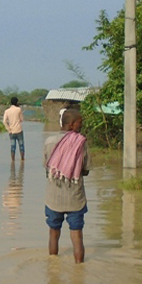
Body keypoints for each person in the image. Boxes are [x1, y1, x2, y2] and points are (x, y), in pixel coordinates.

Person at [43, 108, 91, 262]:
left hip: (53, 197)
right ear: (71, 124)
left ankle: (52, 266)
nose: (81, 125)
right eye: (80, 122)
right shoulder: (81, 143)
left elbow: (47, 167)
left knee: (53, 233)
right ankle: (79, 270)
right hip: (75, 197)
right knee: (77, 235)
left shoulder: (49, 142)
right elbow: (86, 169)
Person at [3, 97, 26, 163]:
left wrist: (9, 129)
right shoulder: (19, 109)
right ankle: (22, 160)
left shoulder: (7, 111)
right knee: (21, 146)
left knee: (13, 146)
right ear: (16, 102)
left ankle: (12, 161)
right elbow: (21, 119)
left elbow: (4, 121)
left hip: (11, 131)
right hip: (19, 130)